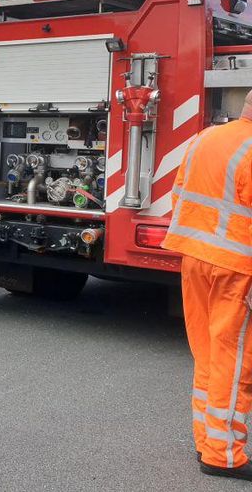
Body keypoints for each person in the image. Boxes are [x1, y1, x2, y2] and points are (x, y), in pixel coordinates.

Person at [163, 89, 252, 481]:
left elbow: (179, 193)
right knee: (233, 364)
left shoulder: (205, 137)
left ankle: (206, 439)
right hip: (236, 266)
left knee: (207, 353)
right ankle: (223, 454)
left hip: (194, 257)